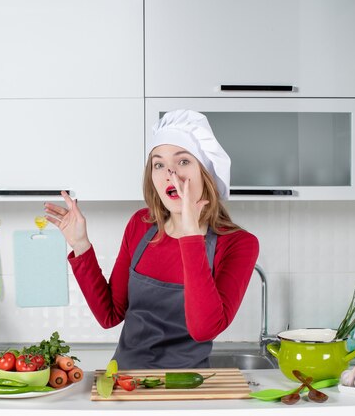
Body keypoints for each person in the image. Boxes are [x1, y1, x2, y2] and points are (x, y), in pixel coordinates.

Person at [44, 109, 259, 369]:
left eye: (183, 161)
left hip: (189, 386)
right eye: (159, 164)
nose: (170, 173)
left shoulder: (238, 244)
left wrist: (191, 236)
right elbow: (109, 315)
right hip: (125, 381)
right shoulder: (140, 224)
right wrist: (80, 246)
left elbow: (204, 330)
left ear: (207, 173)